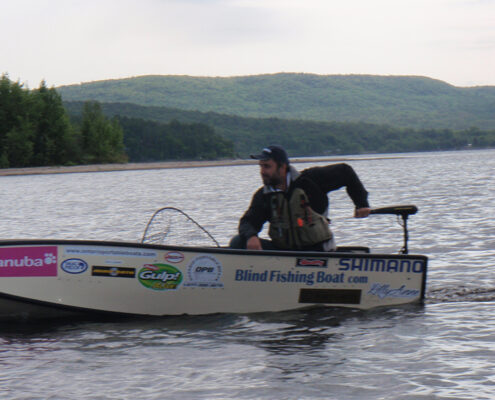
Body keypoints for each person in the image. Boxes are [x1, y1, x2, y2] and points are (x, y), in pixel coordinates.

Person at [229, 145, 371, 251]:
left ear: (282, 167)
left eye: (267, 167)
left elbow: (345, 171)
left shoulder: (310, 180)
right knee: (238, 242)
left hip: (318, 251)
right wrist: (251, 236)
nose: (262, 172)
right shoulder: (264, 195)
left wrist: (361, 204)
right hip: (285, 253)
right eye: (261, 167)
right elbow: (248, 221)